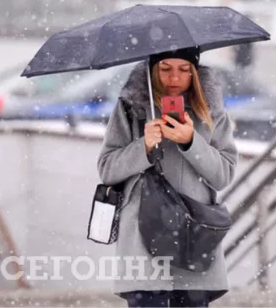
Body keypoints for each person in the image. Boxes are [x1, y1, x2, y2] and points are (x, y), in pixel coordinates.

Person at [97, 47, 238, 307]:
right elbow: (107, 168)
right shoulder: (131, 108)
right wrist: (144, 146)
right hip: (142, 244)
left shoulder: (211, 111)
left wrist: (191, 142)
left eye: (184, 70)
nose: (174, 78)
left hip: (193, 238)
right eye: (165, 69)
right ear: (152, 70)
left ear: (195, 73)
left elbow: (223, 175)